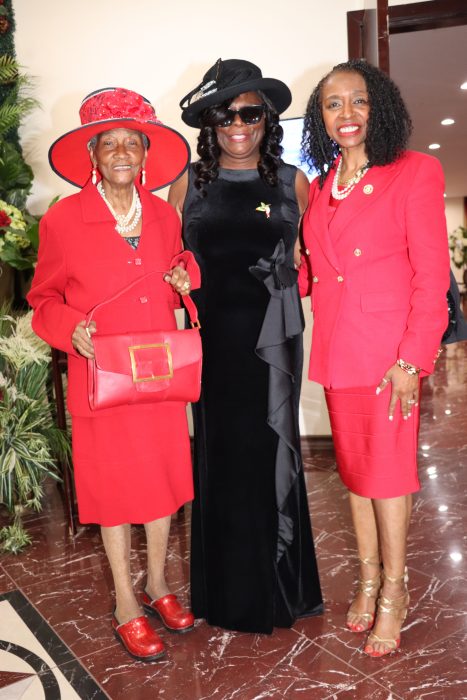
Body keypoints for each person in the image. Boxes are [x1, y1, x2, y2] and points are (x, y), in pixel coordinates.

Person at [27, 87, 200, 662]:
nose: (122, 151)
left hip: (158, 377)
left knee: (161, 485)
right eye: (111, 143)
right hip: (100, 380)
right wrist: (69, 326)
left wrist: (185, 277)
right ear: (94, 155)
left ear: (144, 153)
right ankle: (126, 602)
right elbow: (43, 299)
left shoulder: (163, 213)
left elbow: (178, 263)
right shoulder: (62, 219)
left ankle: (158, 583)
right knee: (115, 491)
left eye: (133, 142)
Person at [300, 59, 450, 656]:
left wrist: (412, 360)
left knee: (387, 480)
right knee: (355, 477)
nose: (347, 114)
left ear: (378, 105)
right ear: (321, 118)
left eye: (358, 101)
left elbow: (431, 277)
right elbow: (318, 271)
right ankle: (367, 576)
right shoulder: (320, 186)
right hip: (339, 353)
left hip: (389, 357)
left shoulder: (414, 171)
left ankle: (396, 588)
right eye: (333, 105)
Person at [169, 58, 323, 634]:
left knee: (271, 456)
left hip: (271, 345)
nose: (238, 123)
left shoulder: (291, 183)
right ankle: (222, 594)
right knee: (218, 458)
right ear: (209, 122)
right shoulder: (188, 182)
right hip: (210, 349)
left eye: (250, 111)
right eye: (224, 113)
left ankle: (280, 587)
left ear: (267, 118)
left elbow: (318, 263)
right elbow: (169, 261)